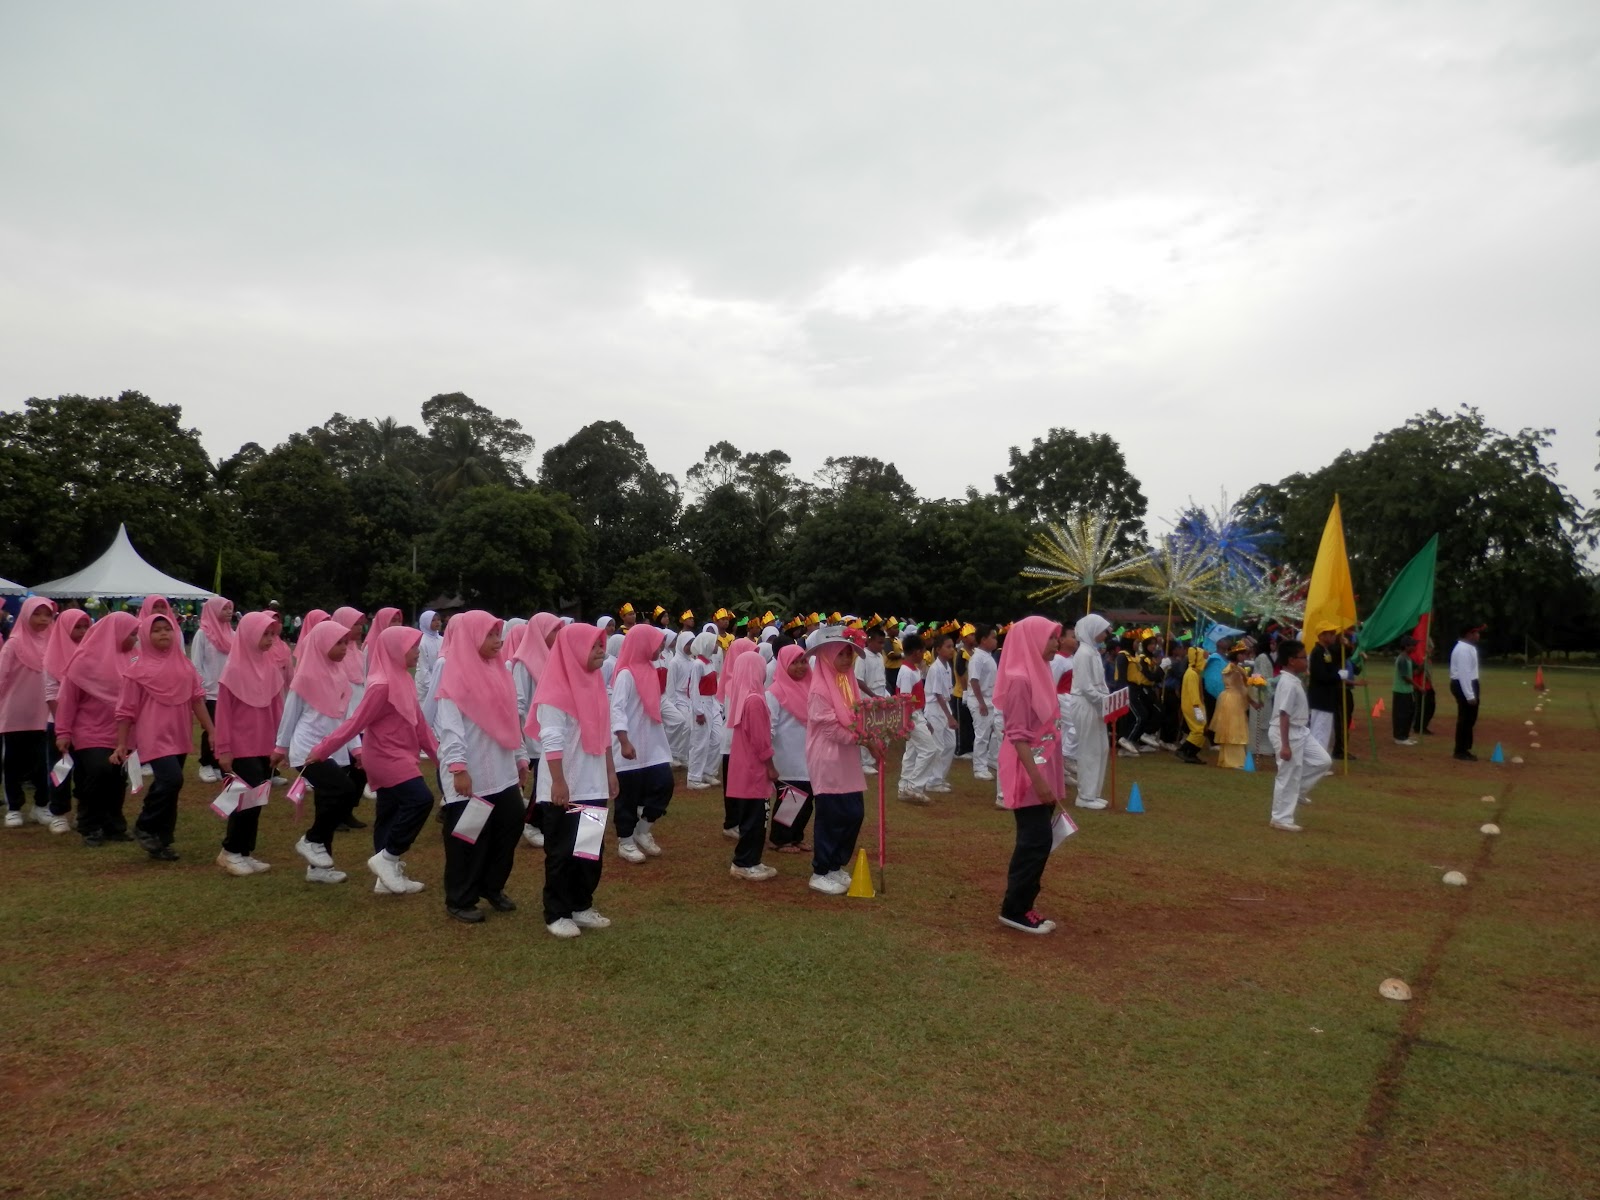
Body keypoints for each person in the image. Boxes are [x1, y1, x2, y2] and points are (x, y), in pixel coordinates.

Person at [307, 624, 440, 896]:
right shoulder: (381, 685)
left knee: (389, 812)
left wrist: (441, 759)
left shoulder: (403, 678)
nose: (418, 652)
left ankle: (384, 879)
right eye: (412, 647)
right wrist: (322, 749)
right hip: (385, 757)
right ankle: (388, 858)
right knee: (420, 799)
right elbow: (356, 722)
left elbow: (420, 727)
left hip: (401, 754)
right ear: (395, 650)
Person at [433, 610, 529, 924]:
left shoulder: (500, 671)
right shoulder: (455, 675)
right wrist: (458, 768)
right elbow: (450, 729)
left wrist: (520, 757)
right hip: (471, 772)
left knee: (510, 824)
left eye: (498, 633)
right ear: (472, 636)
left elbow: (510, 719)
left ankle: (492, 885)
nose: (498, 641)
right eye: (490, 634)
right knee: (469, 837)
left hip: (501, 770)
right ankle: (460, 897)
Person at [529, 622, 618, 939]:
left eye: (601, 644)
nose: (601, 651)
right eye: (594, 645)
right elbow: (551, 738)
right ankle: (557, 912)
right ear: (576, 649)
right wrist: (558, 780)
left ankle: (581, 904)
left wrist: (609, 772)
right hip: (565, 784)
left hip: (592, 782)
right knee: (562, 851)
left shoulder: (594, 684)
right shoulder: (555, 689)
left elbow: (604, 733)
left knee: (589, 850)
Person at [114, 611, 215, 861]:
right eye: (156, 630)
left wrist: (211, 730)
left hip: (179, 734)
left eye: (167, 629)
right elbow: (126, 710)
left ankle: (162, 840)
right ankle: (145, 824)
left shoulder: (184, 666)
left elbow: (197, 700)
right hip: (153, 734)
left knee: (170, 788)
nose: (163, 634)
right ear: (145, 635)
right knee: (172, 780)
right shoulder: (136, 671)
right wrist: (122, 743)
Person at [273, 620, 361, 885]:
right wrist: (280, 748)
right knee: (344, 791)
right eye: (338, 642)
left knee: (327, 804)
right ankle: (312, 839)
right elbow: (290, 715)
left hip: (334, 749)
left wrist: (357, 748)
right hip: (308, 750)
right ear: (322, 644)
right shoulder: (305, 677)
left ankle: (319, 868)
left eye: (346, 642)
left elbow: (347, 718)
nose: (344, 647)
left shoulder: (340, 675)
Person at [995, 615, 1064, 935]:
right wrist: (1038, 781)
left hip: (1040, 768)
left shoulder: (1040, 672)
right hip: (1028, 773)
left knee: (1040, 839)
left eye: (1057, 637)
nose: (1057, 643)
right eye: (1051, 637)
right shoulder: (1020, 679)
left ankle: (1023, 904)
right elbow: (1018, 736)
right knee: (1034, 840)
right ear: (1032, 639)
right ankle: (1015, 909)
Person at [54, 612, 138, 844]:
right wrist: (63, 732)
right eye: (132, 634)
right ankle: (89, 824)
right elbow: (68, 699)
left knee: (118, 778)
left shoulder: (134, 658)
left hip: (122, 732)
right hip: (90, 730)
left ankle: (113, 825)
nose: (135, 638)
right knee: (98, 772)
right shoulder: (84, 660)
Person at [213, 612, 286, 876]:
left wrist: (281, 744)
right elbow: (223, 715)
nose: (270, 639)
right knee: (247, 796)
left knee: (257, 799)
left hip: (264, 745)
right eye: (264, 634)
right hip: (240, 747)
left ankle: (244, 851)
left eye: (272, 634)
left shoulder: (270, 667)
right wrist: (223, 749)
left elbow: (278, 709)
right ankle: (230, 851)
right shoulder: (232, 671)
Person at [804, 628, 867, 897]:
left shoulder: (848, 682)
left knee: (854, 812)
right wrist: (861, 738)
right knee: (832, 815)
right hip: (828, 757)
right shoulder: (820, 689)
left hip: (847, 757)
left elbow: (859, 714)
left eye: (849, 654)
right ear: (828, 657)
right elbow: (830, 727)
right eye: (840, 654)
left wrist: (868, 732)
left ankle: (835, 864)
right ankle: (821, 871)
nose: (846, 659)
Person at [610, 624, 675, 866]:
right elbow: (617, 708)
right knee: (628, 794)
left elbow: (657, 702)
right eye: (657, 644)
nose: (660, 649)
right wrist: (624, 740)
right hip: (630, 743)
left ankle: (643, 830)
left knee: (664, 784)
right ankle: (625, 840)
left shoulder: (650, 669)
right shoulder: (626, 674)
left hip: (653, 744)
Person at [0, 596, 57, 827]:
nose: (43, 619)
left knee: (42, 762)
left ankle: (41, 805)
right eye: (37, 614)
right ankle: (14, 807)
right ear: (25, 614)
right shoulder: (14, 644)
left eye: (47, 615)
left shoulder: (54, 642)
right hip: (15, 712)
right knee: (13, 762)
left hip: (44, 713)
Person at [724, 651, 779, 882]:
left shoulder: (745, 696)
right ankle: (744, 862)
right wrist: (771, 766)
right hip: (753, 769)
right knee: (756, 819)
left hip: (744, 767)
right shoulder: (754, 700)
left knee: (753, 817)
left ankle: (751, 860)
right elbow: (760, 740)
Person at [1268, 639, 1332, 831]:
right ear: (1291, 660)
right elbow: (1284, 714)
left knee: (1322, 761)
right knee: (1288, 774)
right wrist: (1285, 745)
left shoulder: (1294, 680)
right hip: (1286, 731)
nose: (1306, 661)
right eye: (1303, 658)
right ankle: (1280, 818)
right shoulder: (1288, 683)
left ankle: (1298, 791)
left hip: (1301, 730)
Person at [511, 611, 561, 848]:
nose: (559, 634)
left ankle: (535, 822)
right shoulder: (524, 662)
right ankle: (530, 822)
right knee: (536, 777)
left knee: (545, 778)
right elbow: (519, 701)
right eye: (554, 630)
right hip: (531, 733)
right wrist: (519, 734)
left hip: (548, 730)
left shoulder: (553, 657)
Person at [41, 607, 92, 828]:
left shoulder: (91, 654)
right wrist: (64, 725)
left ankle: (84, 811)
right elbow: (51, 694)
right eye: (76, 627)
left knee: (85, 769)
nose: (82, 632)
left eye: (86, 626)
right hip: (58, 723)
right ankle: (58, 813)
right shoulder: (52, 657)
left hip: (88, 724)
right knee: (60, 768)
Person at [767, 644, 813, 854]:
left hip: (808, 752)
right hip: (786, 754)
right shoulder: (774, 692)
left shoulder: (810, 688)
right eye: (794, 662)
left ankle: (796, 836)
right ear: (784, 664)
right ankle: (780, 839)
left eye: (803, 662)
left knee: (807, 796)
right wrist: (767, 756)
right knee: (792, 796)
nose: (800, 667)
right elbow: (770, 725)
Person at [1068, 614, 1111, 809]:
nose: (1105, 635)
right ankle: (1085, 796)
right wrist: (1104, 700)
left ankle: (1093, 792)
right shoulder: (1084, 654)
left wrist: (1107, 699)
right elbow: (1086, 686)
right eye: (1102, 631)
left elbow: (1100, 682)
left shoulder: (1093, 652)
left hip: (1096, 703)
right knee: (1089, 749)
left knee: (1101, 748)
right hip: (1085, 703)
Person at [189, 597, 234, 783]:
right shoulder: (203, 634)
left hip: (228, 690)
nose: (229, 611)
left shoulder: (233, 634)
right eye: (225, 608)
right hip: (210, 690)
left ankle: (217, 763)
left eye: (230, 608)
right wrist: (201, 688)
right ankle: (206, 763)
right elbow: (196, 663)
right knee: (211, 728)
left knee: (226, 728)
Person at [895, 632, 933, 802]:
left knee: (911, 753)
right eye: (923, 651)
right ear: (916, 652)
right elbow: (904, 699)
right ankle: (914, 786)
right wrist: (906, 723)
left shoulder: (913, 670)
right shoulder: (906, 672)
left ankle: (904, 787)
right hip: (912, 716)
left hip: (915, 714)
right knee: (929, 749)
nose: (924, 654)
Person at [686, 630, 721, 790]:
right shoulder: (698, 664)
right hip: (702, 702)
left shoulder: (710, 662)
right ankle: (693, 778)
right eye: (714, 643)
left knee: (717, 739)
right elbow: (693, 689)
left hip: (712, 702)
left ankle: (708, 771)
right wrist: (698, 711)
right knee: (699, 741)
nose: (716, 646)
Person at [1208, 641, 1251, 769]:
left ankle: (1234, 759)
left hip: (1236, 698)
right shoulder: (1231, 669)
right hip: (1231, 699)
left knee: (1235, 727)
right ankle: (1232, 760)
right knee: (1232, 728)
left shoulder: (1238, 669)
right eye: (1242, 654)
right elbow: (1239, 683)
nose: (1245, 656)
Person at [965, 625, 999, 781]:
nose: (996, 641)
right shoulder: (977, 658)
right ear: (984, 640)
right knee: (982, 734)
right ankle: (979, 767)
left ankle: (992, 758)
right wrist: (981, 703)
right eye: (993, 637)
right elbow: (974, 680)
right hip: (980, 700)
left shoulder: (988, 656)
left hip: (990, 699)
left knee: (996, 731)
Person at [1449, 623, 1483, 761]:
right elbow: (1464, 673)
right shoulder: (1463, 649)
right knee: (1465, 718)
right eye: (1476, 633)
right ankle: (1460, 750)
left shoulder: (1469, 648)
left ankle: (1465, 747)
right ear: (1469, 634)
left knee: (1470, 718)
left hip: (1470, 683)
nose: (1478, 635)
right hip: (1463, 684)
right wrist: (1469, 695)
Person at [1176, 646, 1208, 765]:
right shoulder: (1192, 674)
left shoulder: (1195, 673)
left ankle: (1191, 754)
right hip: (1194, 706)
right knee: (1198, 729)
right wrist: (1198, 709)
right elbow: (1194, 694)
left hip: (1195, 705)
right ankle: (1183, 750)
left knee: (1201, 729)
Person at [1391, 637, 1419, 746]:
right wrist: (1418, 686)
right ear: (1406, 646)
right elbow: (1405, 677)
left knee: (1409, 714)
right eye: (1413, 645)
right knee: (1401, 715)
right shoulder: (1402, 659)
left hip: (1408, 691)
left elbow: (1415, 672)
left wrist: (1425, 660)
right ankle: (1399, 737)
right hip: (1401, 691)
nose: (1415, 647)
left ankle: (1405, 735)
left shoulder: (1408, 659)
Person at [415, 609, 444, 702]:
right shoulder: (422, 642)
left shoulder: (442, 639)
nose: (437, 622)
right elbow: (423, 667)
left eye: (438, 619)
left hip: (440, 679)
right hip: (425, 683)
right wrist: (432, 686)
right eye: (433, 620)